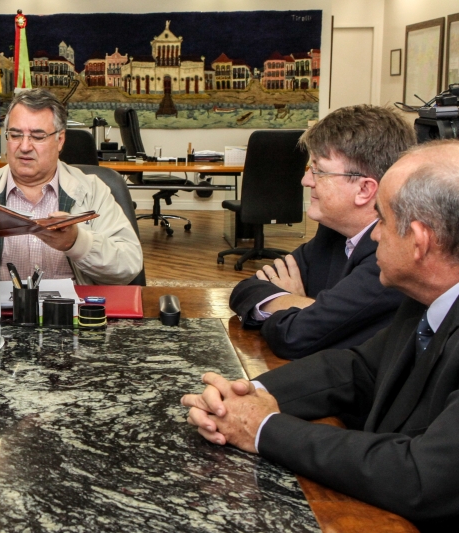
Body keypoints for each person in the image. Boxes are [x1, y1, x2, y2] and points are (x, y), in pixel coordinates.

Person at [182, 140, 459, 531]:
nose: (374, 235)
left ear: (420, 241)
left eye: (381, 220)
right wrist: (244, 398)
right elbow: (357, 368)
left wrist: (263, 429)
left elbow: (421, 476)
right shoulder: (424, 297)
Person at [229, 105, 415, 359]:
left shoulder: (392, 259)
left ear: (364, 189)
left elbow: (295, 336)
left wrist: (298, 307)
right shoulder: (333, 233)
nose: (305, 181)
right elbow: (246, 289)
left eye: (318, 170)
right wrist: (306, 306)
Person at [0, 89, 143, 285]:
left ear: (60, 140)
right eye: (15, 135)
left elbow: (129, 265)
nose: (24, 147)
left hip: (71, 316)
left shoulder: (93, 191)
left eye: (37, 136)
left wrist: (77, 243)